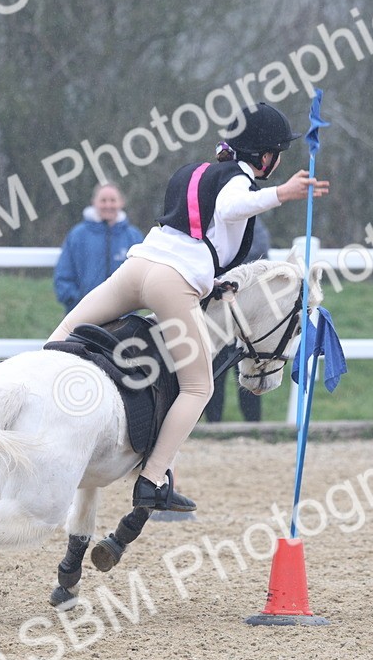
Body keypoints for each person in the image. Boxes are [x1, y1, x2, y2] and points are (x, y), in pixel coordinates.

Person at [47, 103, 329, 512]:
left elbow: (200, 231)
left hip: (136, 269)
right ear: (265, 156)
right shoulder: (238, 178)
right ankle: (152, 480)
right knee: (199, 387)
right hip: (170, 283)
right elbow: (232, 208)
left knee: (59, 338)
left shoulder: (191, 172)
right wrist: (282, 194)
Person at [204, 217, 270, 423]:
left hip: (247, 314)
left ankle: (253, 426)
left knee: (250, 370)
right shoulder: (212, 222)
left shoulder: (253, 224)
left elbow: (258, 258)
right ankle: (213, 426)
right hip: (216, 314)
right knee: (214, 374)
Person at [53, 184, 144, 313]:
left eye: (112, 200)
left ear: (121, 202)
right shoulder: (77, 235)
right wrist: (77, 302)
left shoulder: (133, 237)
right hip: (82, 317)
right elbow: (63, 275)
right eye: (103, 200)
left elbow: (142, 277)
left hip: (124, 318)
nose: (108, 205)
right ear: (94, 202)